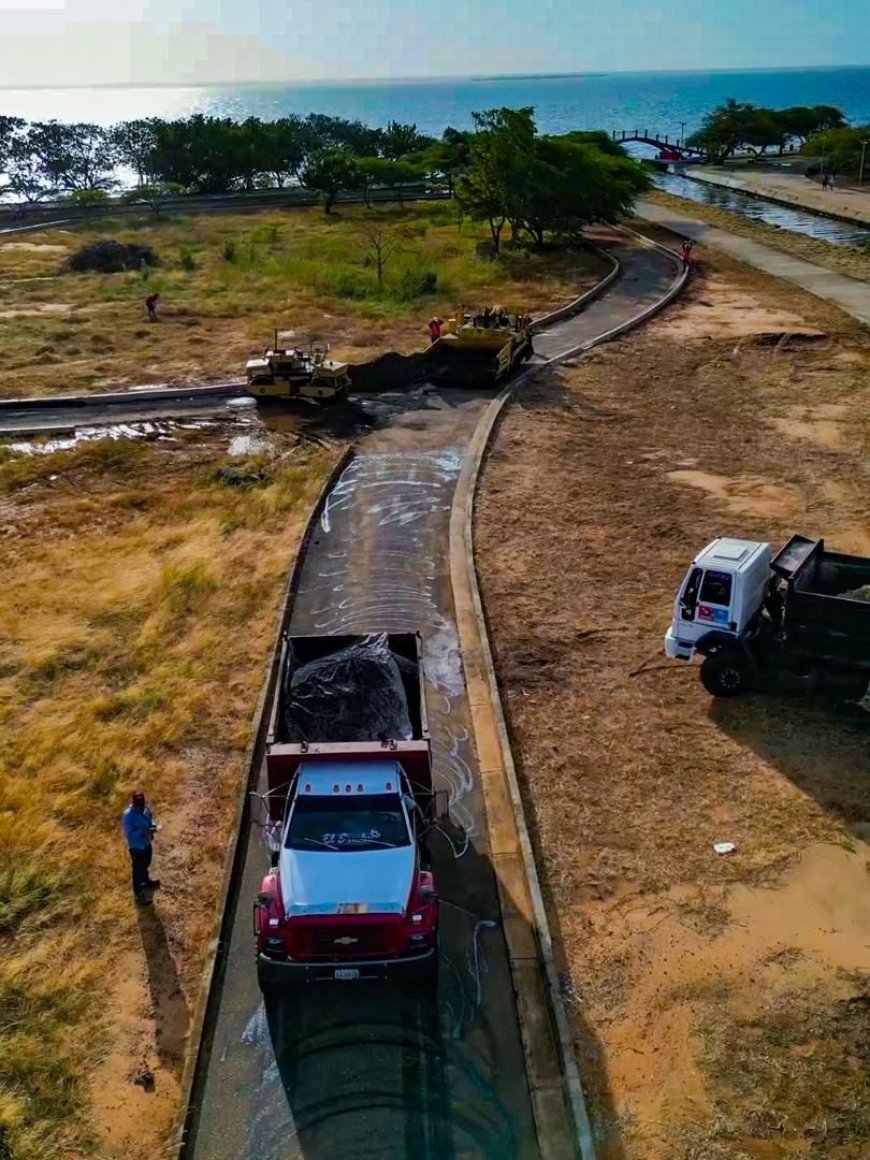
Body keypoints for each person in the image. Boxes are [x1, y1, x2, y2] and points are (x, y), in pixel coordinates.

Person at [122, 790, 160, 905]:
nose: (141, 808)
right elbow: (129, 834)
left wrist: (153, 825)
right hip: (137, 847)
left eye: (142, 805)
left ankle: (146, 881)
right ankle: (139, 895)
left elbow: (150, 816)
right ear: (134, 803)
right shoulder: (128, 815)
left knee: (146, 864)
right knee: (138, 870)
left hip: (147, 843)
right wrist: (143, 832)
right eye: (139, 806)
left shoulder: (144, 808)